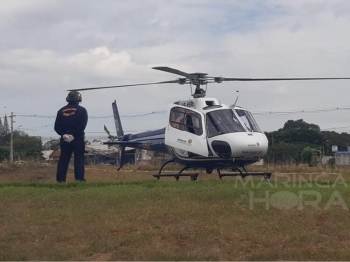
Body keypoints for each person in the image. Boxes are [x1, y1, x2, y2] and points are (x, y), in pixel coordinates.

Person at [54, 91, 88, 182]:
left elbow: (56, 127)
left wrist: (64, 135)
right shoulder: (82, 110)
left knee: (63, 160)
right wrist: (73, 135)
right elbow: (82, 126)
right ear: (79, 99)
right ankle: (79, 180)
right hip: (78, 139)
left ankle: (60, 181)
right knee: (79, 160)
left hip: (65, 140)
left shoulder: (61, 111)